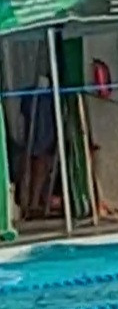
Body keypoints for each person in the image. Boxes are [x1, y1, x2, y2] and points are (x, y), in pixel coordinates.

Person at [19, 76, 58, 218]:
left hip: (34, 87)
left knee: (40, 151)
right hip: (38, 87)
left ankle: (35, 200)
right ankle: (33, 202)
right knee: (40, 151)